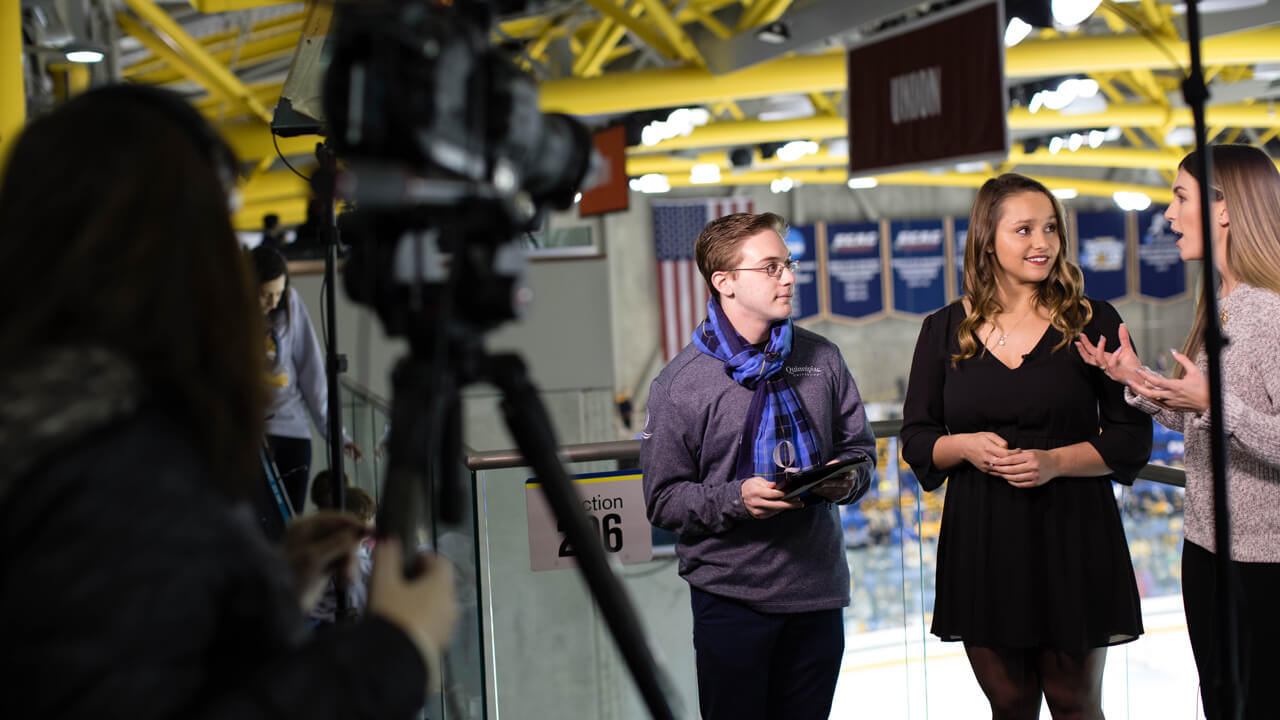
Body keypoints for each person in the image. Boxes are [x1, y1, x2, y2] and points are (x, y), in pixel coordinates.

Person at [0, 84, 457, 718]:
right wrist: (393, 652)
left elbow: (155, 659)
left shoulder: (81, 430)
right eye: (219, 229)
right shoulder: (108, 472)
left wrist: (263, 591)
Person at [901, 173, 1152, 719]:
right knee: (1009, 706)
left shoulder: (1093, 320)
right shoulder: (943, 329)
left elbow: (1132, 437)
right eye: (1024, 230)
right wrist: (963, 447)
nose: (1042, 243)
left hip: (1073, 532)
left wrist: (1054, 462)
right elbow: (917, 439)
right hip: (983, 537)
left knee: (1075, 705)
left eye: (1050, 229)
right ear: (987, 240)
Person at [641, 212, 876, 720]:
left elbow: (862, 452)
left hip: (817, 593)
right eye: (770, 267)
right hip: (732, 600)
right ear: (724, 282)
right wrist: (736, 499)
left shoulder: (822, 359)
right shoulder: (680, 385)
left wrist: (846, 479)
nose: (789, 277)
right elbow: (662, 499)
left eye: (787, 264)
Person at [1076, 144, 1280, 719]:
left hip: (1260, 568)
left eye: (1180, 197)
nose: (1167, 213)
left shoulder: (1267, 312)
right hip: (1210, 551)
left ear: (1225, 209)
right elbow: (1206, 419)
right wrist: (1134, 379)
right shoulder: (1225, 304)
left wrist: (1214, 404)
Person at [251, 244, 363, 514]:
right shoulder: (229, 315)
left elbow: (311, 373)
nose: (273, 303)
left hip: (292, 431)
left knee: (290, 522)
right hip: (250, 436)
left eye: (278, 294)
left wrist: (337, 435)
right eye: (266, 295)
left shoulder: (291, 303)